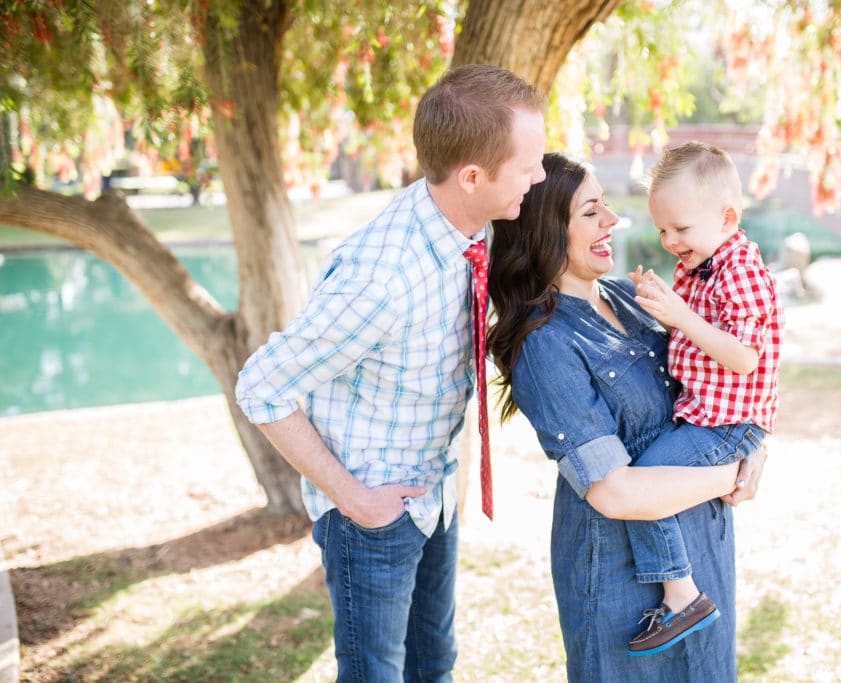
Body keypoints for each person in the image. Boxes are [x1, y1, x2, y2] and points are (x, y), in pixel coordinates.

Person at [234, 64, 546, 682]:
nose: (537, 177)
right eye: (528, 165)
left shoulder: (468, 219)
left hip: (433, 497)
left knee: (435, 666)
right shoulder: (382, 279)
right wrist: (355, 500)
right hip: (370, 517)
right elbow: (263, 387)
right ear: (473, 176)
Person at [487, 152, 767, 681]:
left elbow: (717, 382)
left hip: (702, 548)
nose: (613, 221)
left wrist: (753, 447)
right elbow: (612, 492)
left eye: (607, 207)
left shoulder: (629, 297)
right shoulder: (545, 342)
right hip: (623, 578)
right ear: (549, 231)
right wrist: (731, 473)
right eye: (591, 212)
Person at [619, 141, 783, 655]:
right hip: (706, 416)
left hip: (730, 425)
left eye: (680, 229)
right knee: (646, 478)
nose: (669, 241)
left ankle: (681, 594)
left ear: (728, 216)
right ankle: (679, 589)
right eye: (661, 229)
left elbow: (744, 357)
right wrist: (653, 305)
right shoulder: (699, 261)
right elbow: (686, 338)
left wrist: (681, 317)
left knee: (642, 484)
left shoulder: (741, 270)